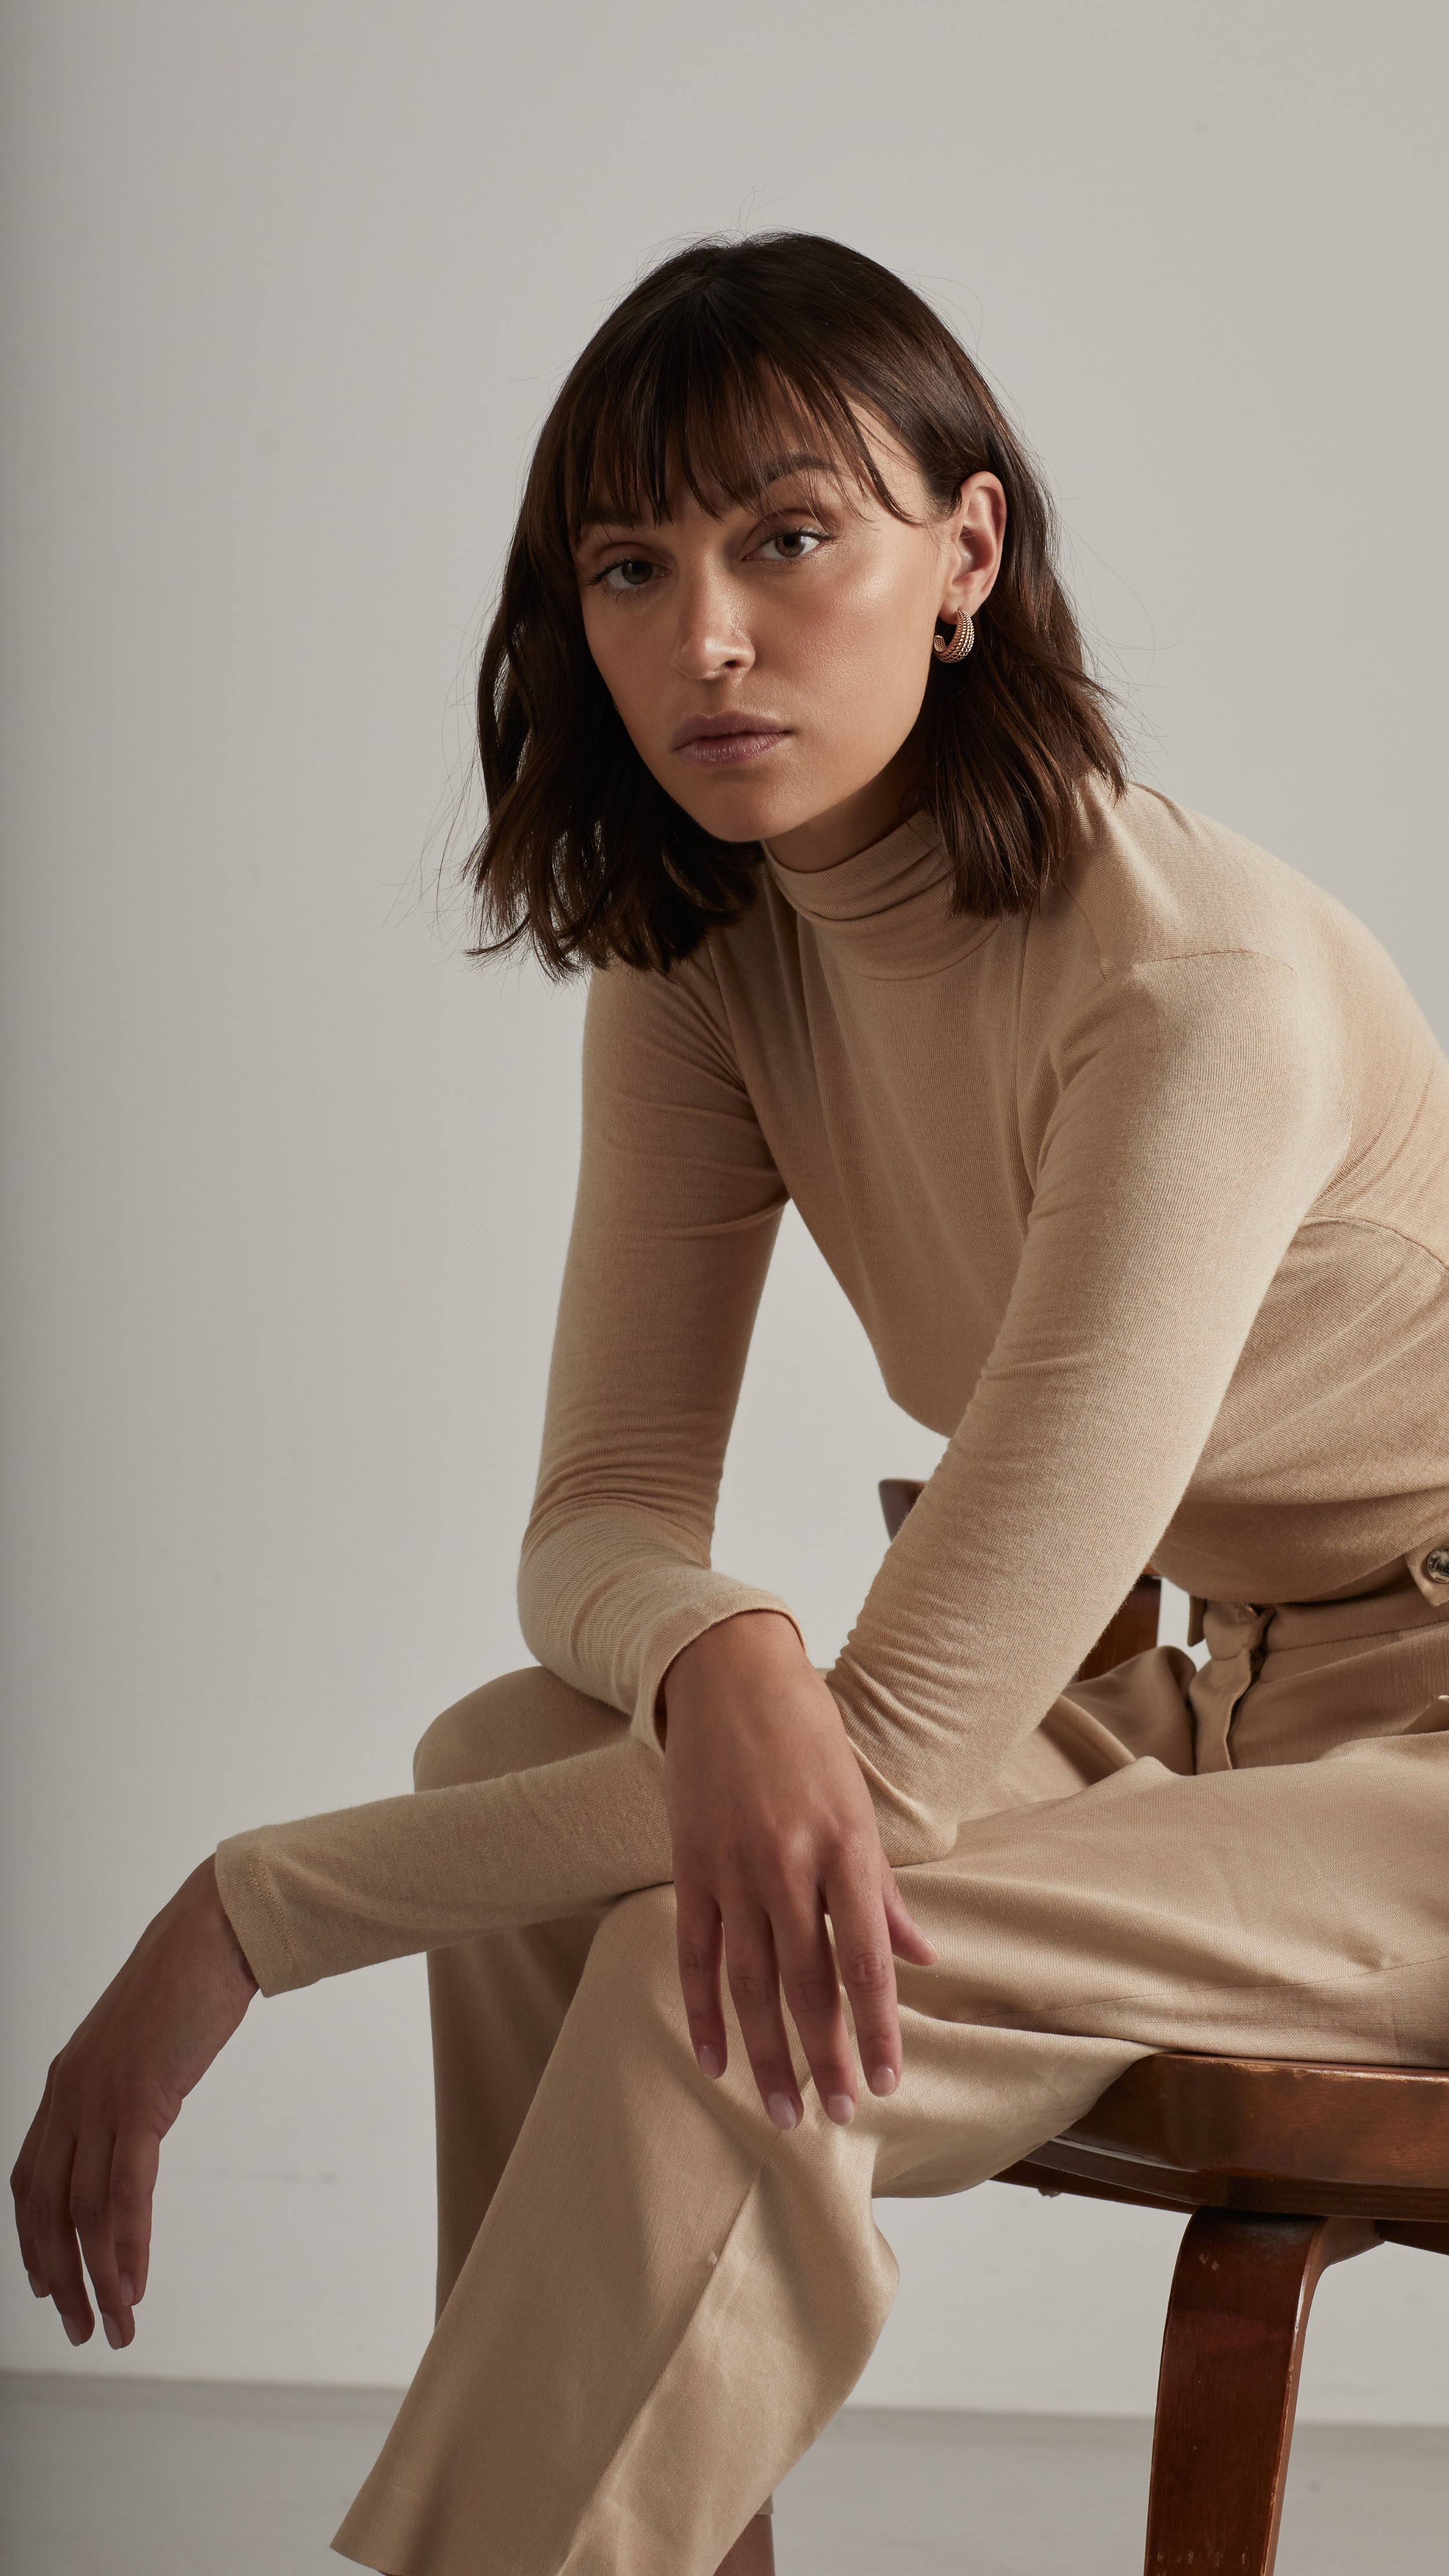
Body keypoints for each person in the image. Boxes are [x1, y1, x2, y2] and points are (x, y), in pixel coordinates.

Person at [11, 232, 1449, 2576]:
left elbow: (875, 1780)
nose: (704, 636)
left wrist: (249, 1909)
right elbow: (589, 1513)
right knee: (512, 1752)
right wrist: (716, 1644)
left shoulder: (1193, 1000)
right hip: (1187, 1710)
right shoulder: (709, 957)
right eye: (628, 562)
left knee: (735, 1965)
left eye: (787, 535)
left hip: (1427, 1778)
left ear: (963, 553)